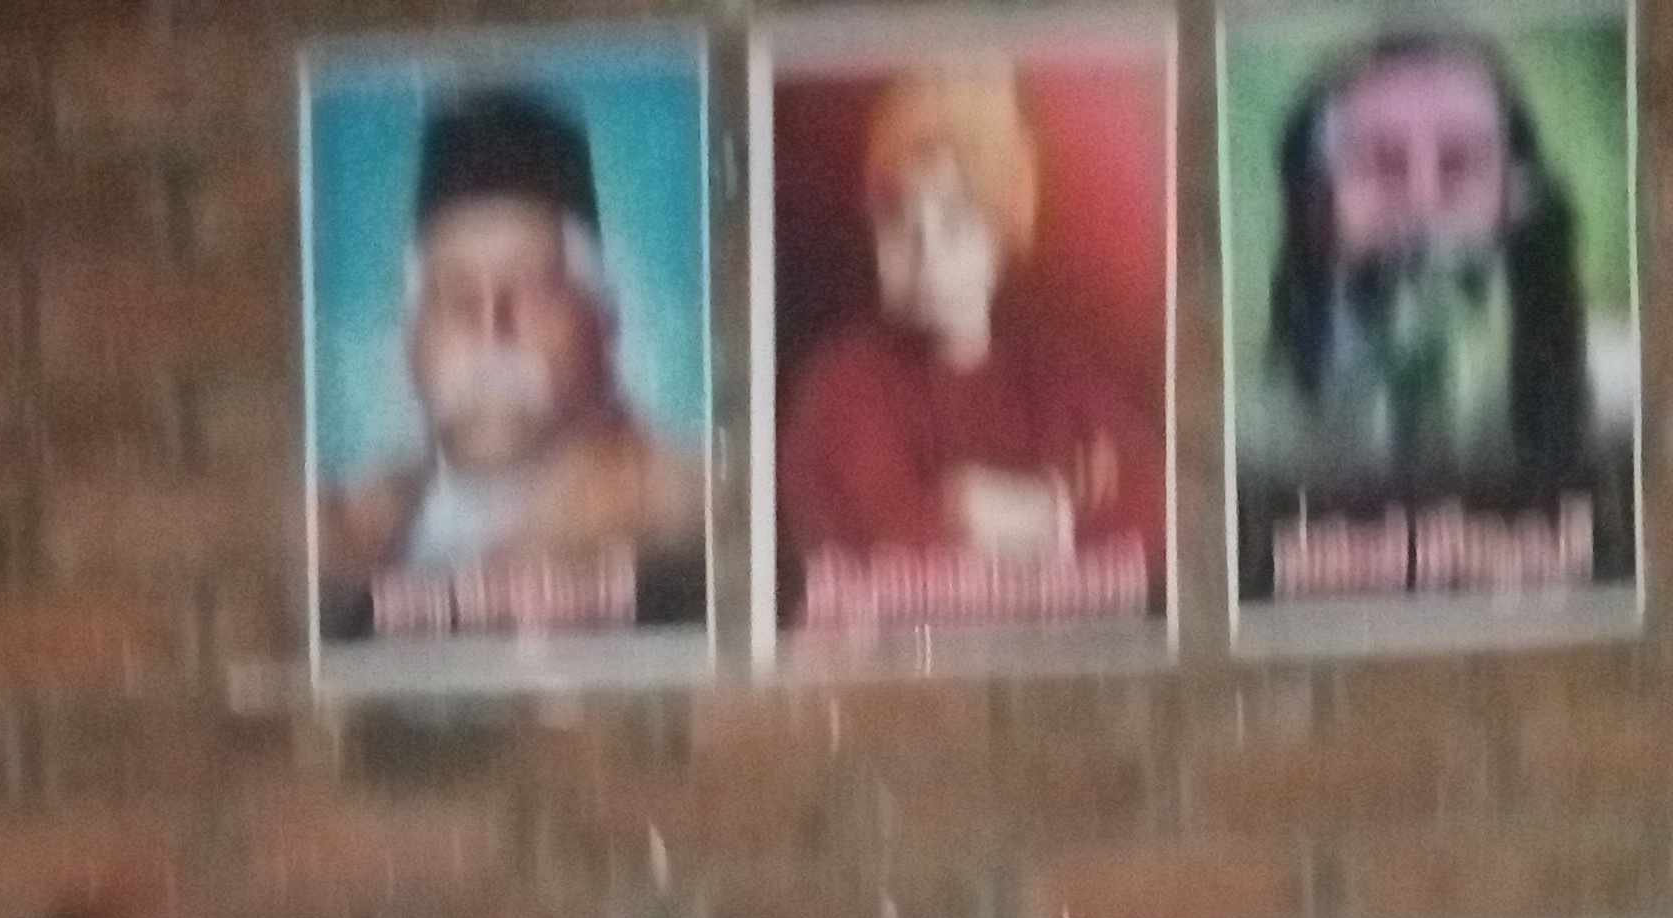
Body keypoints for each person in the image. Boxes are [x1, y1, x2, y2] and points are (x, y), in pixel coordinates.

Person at [774, 64, 1163, 623]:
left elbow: (1162, 509)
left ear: (1002, 236)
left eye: (955, 224)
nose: (926, 253)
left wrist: (1033, 516)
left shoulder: (1058, 382)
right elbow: (876, 541)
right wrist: (968, 510)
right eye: (899, 223)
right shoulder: (842, 388)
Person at [319, 86, 711, 628]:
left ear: (604, 325)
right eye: (454, 291)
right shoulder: (340, 530)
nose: (490, 324)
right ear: (411, 340)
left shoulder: (690, 511)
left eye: (530, 286)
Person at [1244, 24, 1593, 485]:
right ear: (1316, 206)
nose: (1423, 201)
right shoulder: (1245, 431)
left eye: (1461, 162)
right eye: (1381, 163)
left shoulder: (1617, 400)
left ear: (1518, 202)